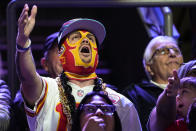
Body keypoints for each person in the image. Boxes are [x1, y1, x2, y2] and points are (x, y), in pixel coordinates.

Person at [15, 4, 142, 131]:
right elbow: (27, 77)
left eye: (91, 39)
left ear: (97, 53)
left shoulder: (121, 104)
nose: (86, 41)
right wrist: (23, 42)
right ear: (61, 53)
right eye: (76, 37)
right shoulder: (46, 89)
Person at [121, 36, 184, 130]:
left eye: (176, 51)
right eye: (163, 51)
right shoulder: (135, 94)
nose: (172, 54)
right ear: (149, 67)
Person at [10, 32, 62, 131]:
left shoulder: (93, 94)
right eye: (59, 50)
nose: (65, 55)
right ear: (45, 64)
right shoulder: (26, 98)